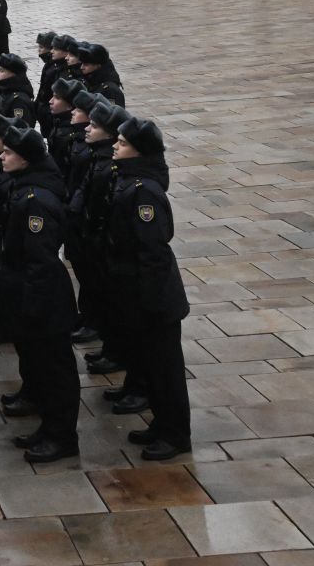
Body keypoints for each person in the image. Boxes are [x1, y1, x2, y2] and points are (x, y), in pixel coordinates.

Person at [108, 117, 191, 460]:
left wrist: (150, 302)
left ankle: (176, 434)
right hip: (138, 292)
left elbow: (153, 251)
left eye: (123, 143)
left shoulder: (144, 192)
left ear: (139, 151)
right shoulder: (131, 181)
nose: (115, 146)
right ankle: (162, 423)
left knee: (166, 368)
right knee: (152, 366)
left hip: (155, 297)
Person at [0, 127, 79, 462]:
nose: (1, 155)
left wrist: (32, 305)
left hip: (45, 299)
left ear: (25, 158)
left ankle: (62, 437)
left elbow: (41, 260)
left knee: (56, 371)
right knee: (43, 369)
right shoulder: (26, 189)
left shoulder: (36, 203)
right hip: (32, 294)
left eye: (8, 151)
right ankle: (49, 429)